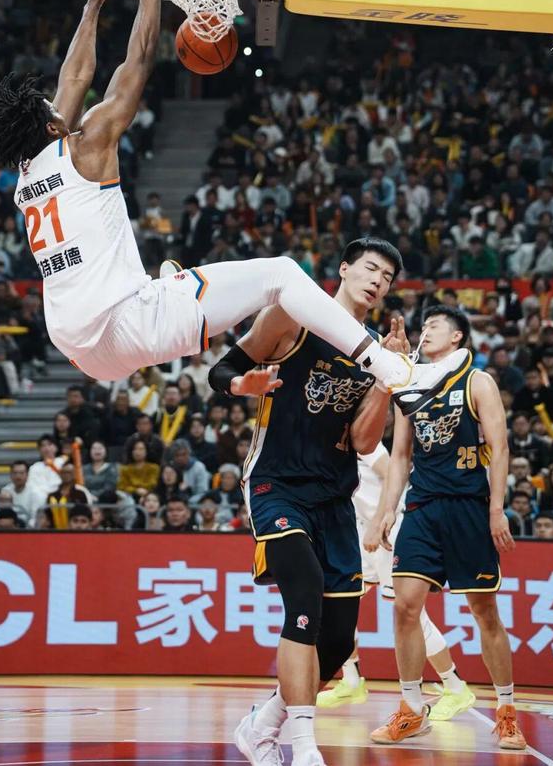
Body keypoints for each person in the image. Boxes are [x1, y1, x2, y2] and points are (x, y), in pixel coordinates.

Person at [0, 0, 467, 421]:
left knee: (174, 285)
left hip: (78, 344)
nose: (59, 102)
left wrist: (94, 3)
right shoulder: (88, 145)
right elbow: (136, 64)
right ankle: (395, 371)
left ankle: (173, 288)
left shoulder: (28, 169)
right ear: (52, 127)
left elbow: (74, 77)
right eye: (53, 109)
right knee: (281, 274)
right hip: (128, 323)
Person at [210, 238, 409, 766]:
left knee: (338, 642)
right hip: (276, 484)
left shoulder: (371, 351)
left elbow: (364, 442)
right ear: (343, 269)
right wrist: (242, 385)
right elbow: (220, 370)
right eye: (370, 269)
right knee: (304, 596)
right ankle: (301, 745)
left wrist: (386, 380)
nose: (378, 281)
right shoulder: (291, 318)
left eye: (388, 277)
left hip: (334, 496)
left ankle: (262, 725)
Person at [371, 305, 525, 751]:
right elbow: (401, 456)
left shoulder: (478, 382)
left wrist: (496, 509)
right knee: (405, 605)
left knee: (484, 612)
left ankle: (506, 711)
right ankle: (411, 709)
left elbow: (500, 447)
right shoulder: (410, 385)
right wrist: (386, 510)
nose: (426, 332)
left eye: (434, 326)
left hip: (468, 508)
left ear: (457, 337)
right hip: (422, 507)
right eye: (424, 326)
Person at [319, 442, 474, 721]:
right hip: (361, 531)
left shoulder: (363, 441)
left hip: (388, 532)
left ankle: (455, 687)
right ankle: (351, 680)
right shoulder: (329, 441)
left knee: (412, 616)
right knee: (338, 601)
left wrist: (381, 519)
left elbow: (393, 473)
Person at [0, 460, 43, 526]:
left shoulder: (35, 493)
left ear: (27, 475)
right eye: (15, 473)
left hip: (26, 526)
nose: (18, 476)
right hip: (5, 525)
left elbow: (35, 517)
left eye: (21, 473)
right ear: (10, 475)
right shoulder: (5, 491)